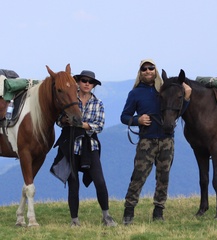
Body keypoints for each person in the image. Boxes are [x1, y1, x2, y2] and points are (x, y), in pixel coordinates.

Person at [120, 59, 192, 225]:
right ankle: (128, 212)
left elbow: (176, 112)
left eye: (151, 68)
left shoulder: (164, 89)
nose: (148, 71)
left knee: (163, 177)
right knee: (138, 177)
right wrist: (138, 119)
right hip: (147, 141)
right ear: (140, 72)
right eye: (144, 69)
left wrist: (186, 99)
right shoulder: (135, 93)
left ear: (155, 70)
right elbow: (124, 116)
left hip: (167, 140)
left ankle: (158, 212)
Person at [51, 70, 117, 227]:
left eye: (90, 82)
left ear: (93, 85)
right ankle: (74, 220)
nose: (87, 83)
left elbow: (99, 126)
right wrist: (65, 120)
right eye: (84, 80)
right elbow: (59, 121)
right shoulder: (69, 98)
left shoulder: (98, 103)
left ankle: (106, 216)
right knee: (73, 183)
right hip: (71, 145)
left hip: (89, 146)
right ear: (78, 82)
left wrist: (80, 124)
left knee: (99, 181)